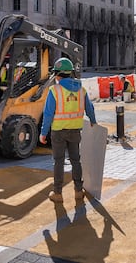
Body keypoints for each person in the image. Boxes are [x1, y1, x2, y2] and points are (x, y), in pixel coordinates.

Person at [39, 57, 97, 203]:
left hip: (58, 132)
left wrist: (43, 133)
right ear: (70, 73)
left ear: (58, 74)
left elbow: (47, 114)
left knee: (58, 161)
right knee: (75, 160)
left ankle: (58, 193)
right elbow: (89, 108)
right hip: (75, 131)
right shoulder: (81, 90)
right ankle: (78, 191)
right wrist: (93, 121)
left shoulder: (54, 90)